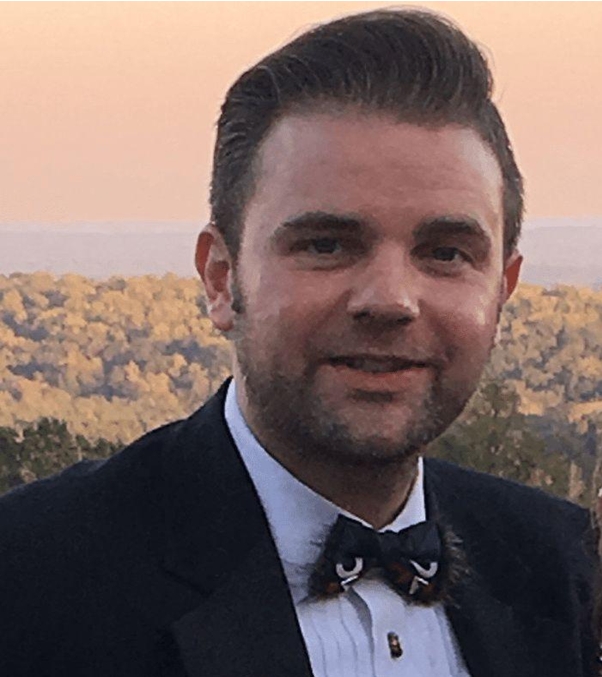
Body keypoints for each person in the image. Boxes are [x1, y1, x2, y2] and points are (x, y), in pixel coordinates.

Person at [0, 8, 597, 677]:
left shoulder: (558, 565)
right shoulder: (31, 580)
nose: (390, 299)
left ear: (502, 289)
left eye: (445, 252)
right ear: (222, 278)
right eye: (327, 244)